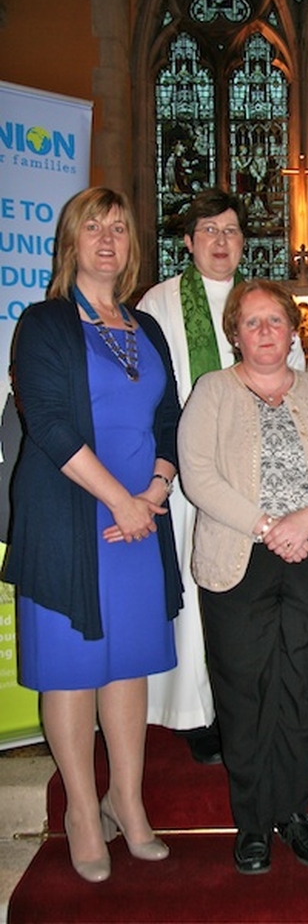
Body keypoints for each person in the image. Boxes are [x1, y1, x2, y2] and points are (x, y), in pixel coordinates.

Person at [4, 187, 182, 882]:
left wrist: (156, 490)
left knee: (129, 663)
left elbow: (169, 417)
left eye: (118, 227)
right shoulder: (44, 322)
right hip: (72, 515)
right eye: (93, 227)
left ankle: (127, 802)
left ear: (132, 245)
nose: (107, 237)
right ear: (70, 241)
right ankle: (82, 810)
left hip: (142, 516)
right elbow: (47, 422)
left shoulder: (146, 326)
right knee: (74, 668)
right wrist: (120, 501)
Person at [177, 279, 308, 875]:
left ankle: (296, 813)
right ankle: (253, 821)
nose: (263, 333)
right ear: (235, 334)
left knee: (305, 694)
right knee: (246, 693)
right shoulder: (212, 392)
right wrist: (265, 526)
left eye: (274, 322)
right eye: (251, 323)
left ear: (291, 331)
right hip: (238, 561)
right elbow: (197, 475)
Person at [139, 187, 305, 765]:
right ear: (187, 242)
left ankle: (245, 703)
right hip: (192, 477)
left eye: (231, 231)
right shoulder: (159, 304)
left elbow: (296, 377)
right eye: (207, 230)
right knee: (195, 588)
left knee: (248, 598)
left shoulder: (260, 301)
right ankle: (194, 712)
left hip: (263, 483)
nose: (220, 241)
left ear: (243, 241)